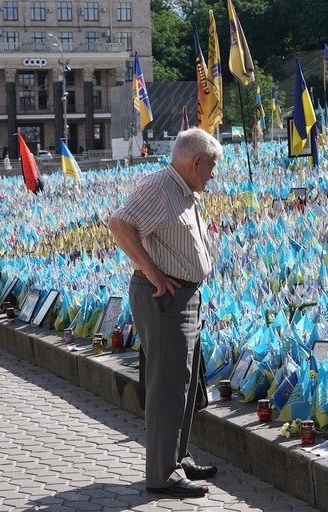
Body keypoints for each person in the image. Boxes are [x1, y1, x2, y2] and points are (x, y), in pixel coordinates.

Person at [108, 128, 222, 499]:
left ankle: (178, 458)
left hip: (184, 296)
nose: (213, 174)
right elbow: (118, 224)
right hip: (164, 297)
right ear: (196, 162)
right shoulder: (159, 186)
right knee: (167, 387)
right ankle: (162, 474)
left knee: (184, 385)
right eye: (212, 167)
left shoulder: (184, 190)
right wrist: (152, 271)